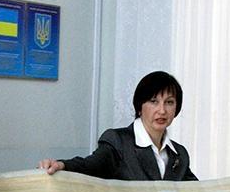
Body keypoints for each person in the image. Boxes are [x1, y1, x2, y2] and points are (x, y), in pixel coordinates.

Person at [38, 71, 198, 181]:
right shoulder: (118, 141)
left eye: (169, 102)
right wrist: (63, 165)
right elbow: (91, 166)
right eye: (154, 101)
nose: (162, 110)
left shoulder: (180, 154)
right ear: (139, 107)